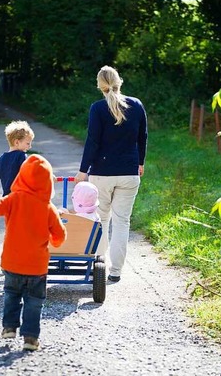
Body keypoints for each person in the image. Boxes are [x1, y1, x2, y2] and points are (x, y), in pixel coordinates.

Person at [0, 154, 66, 352]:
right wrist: (53, 241)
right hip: (37, 266)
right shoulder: (48, 208)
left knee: (11, 295)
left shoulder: (13, 199)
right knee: (34, 302)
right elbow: (60, 235)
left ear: (21, 176)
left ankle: (9, 327)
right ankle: (30, 338)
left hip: (12, 263)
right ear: (48, 182)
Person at [75, 65, 147, 283]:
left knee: (101, 220)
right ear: (119, 81)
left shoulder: (97, 108)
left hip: (102, 174)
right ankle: (116, 271)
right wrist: (140, 162)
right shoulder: (136, 105)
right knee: (122, 222)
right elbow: (142, 137)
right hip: (129, 172)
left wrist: (82, 170)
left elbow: (93, 141)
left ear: (100, 85)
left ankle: (99, 266)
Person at [0, 120, 34, 199]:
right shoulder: (21, 156)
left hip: (7, 199)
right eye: (28, 143)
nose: (30, 146)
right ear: (17, 142)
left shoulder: (0, 160)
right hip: (20, 198)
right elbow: (28, 175)